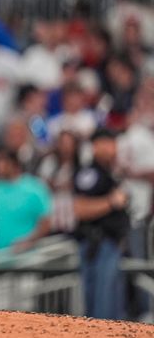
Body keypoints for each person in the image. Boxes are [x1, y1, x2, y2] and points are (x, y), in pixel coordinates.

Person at [73, 128, 129, 320]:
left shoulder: (110, 173)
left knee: (113, 306)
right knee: (102, 307)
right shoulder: (90, 173)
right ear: (95, 146)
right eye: (105, 143)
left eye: (112, 143)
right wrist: (111, 202)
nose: (110, 148)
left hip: (111, 244)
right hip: (98, 245)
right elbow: (80, 208)